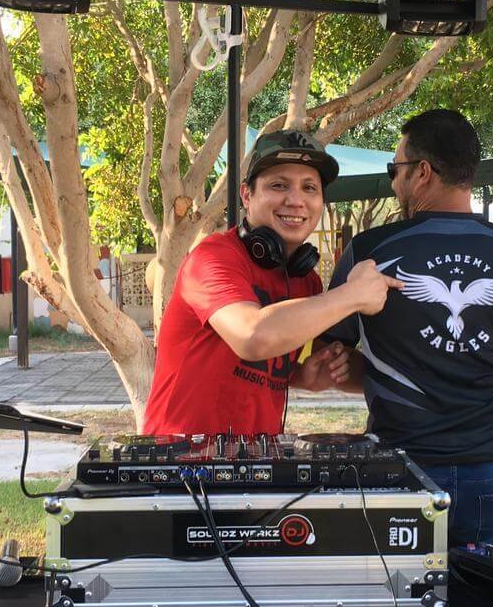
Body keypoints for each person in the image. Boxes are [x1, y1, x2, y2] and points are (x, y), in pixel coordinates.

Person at [323, 109, 493, 546]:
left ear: (423, 172)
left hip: (399, 467)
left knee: (400, 588)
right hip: (491, 468)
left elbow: (330, 361)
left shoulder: (368, 253)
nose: (394, 183)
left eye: (395, 170)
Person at [143, 130, 403, 436]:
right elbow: (252, 337)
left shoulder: (305, 280)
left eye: (309, 188)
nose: (296, 200)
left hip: (258, 458)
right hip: (180, 458)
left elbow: (264, 361)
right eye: (278, 185)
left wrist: (302, 376)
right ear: (246, 195)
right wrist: (353, 295)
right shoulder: (212, 258)